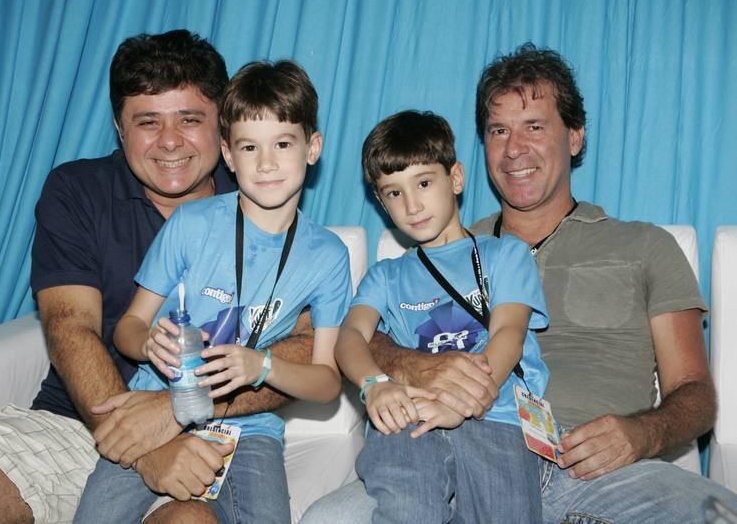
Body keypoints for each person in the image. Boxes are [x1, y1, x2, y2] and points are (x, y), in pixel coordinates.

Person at [302, 43, 737, 523]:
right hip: (445, 452)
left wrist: (642, 434)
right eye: (499, 131)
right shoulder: (428, 254)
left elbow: (695, 393)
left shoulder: (644, 245)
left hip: (596, 474)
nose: (514, 149)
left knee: (717, 513)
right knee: (329, 519)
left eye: (534, 127)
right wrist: (409, 368)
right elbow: (360, 336)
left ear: (575, 137)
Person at [0, 30, 316, 523]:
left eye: (189, 119)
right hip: (82, 419)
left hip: (211, 431)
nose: (170, 141)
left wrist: (177, 409)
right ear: (119, 128)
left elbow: (306, 350)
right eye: (147, 122)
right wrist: (141, 447)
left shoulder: (265, 201)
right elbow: (71, 326)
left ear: (222, 128)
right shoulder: (77, 190)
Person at [73, 58, 352, 524]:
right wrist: (147, 343)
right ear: (228, 154)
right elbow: (128, 327)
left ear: (313, 147)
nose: (266, 163)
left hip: (249, 427)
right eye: (249, 146)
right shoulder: (191, 224)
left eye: (283, 143)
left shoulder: (328, 255)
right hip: (153, 405)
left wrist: (262, 365)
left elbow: (327, 383)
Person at [335, 110, 548, 523]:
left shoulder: (505, 254)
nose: (412, 205)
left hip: (495, 415)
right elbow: (349, 338)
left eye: (424, 183)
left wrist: (459, 402)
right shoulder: (385, 276)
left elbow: (509, 334)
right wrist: (374, 385)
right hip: (409, 415)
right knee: (407, 507)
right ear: (380, 202)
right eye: (394, 193)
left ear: (456, 178)